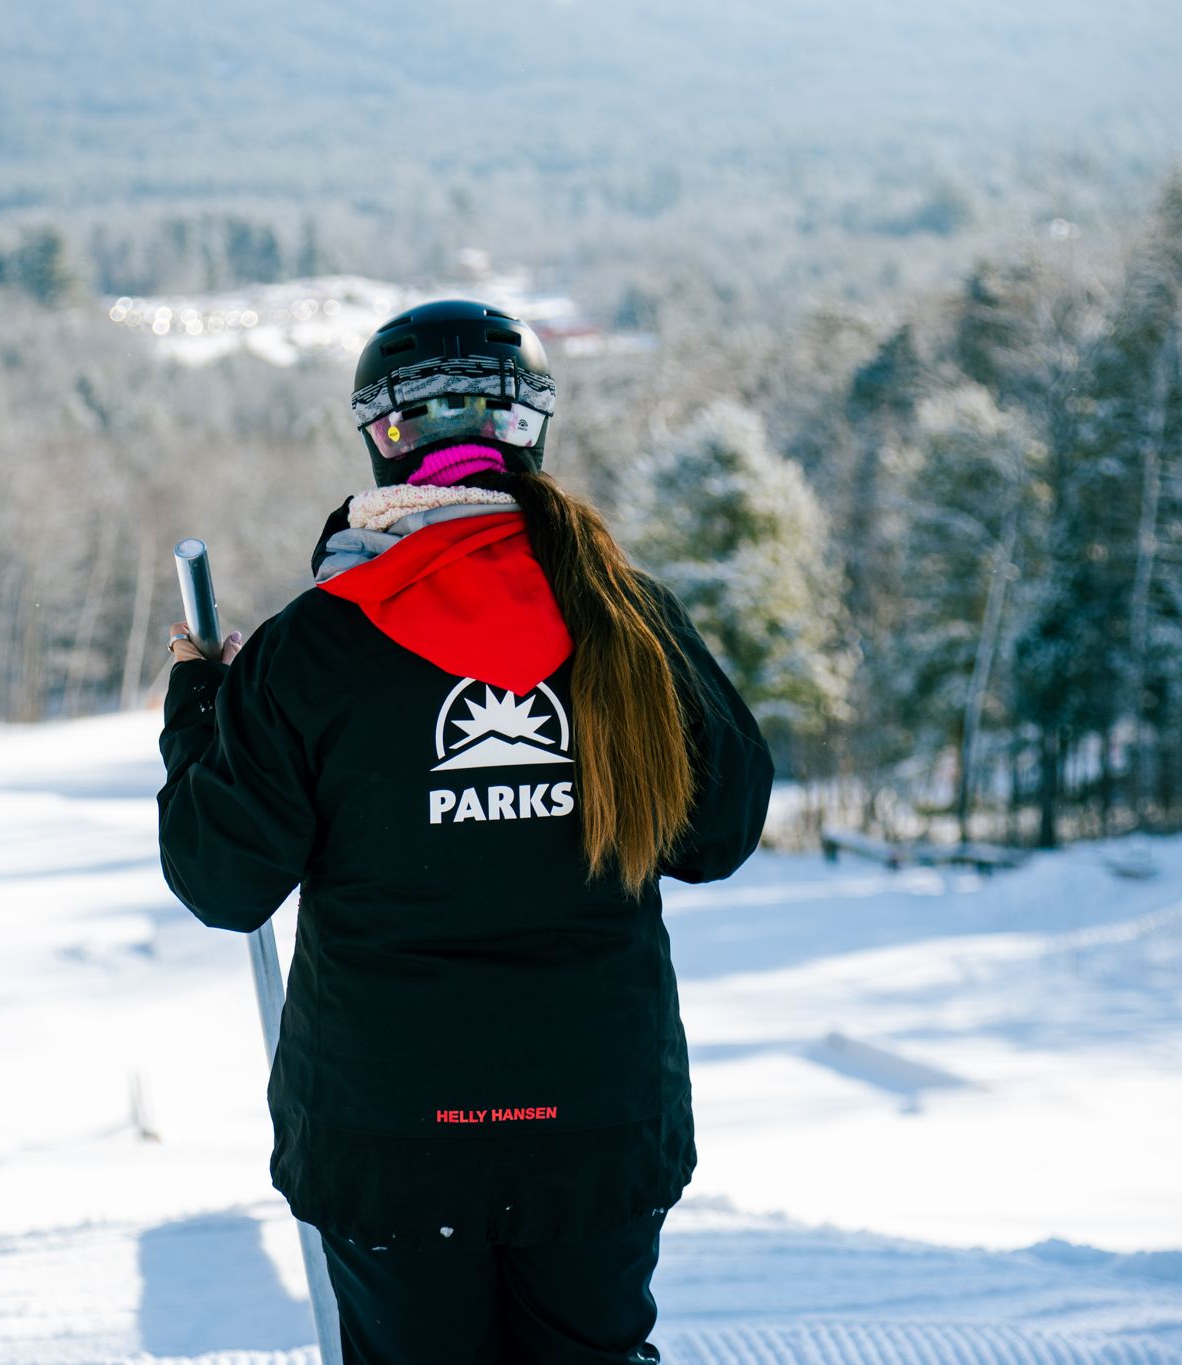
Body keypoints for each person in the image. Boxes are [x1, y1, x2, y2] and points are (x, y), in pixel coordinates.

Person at [157, 300, 773, 1364]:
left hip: (389, 1135)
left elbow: (223, 881)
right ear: (529, 424)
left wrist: (201, 710)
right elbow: (714, 835)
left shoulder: (311, 650)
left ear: (382, 438)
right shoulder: (628, 618)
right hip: (592, 1123)